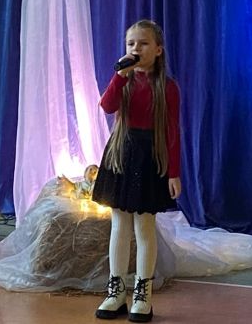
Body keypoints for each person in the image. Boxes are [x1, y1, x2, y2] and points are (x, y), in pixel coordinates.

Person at [91, 20, 181, 322]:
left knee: (144, 227)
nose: (135, 48)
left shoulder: (168, 87)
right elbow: (107, 105)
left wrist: (174, 172)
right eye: (131, 43)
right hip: (122, 154)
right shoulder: (124, 80)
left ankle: (143, 294)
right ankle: (115, 292)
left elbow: (172, 132)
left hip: (149, 157)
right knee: (119, 225)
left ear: (158, 50)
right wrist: (120, 77)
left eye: (143, 43)